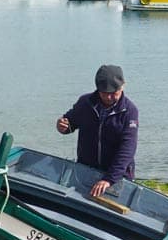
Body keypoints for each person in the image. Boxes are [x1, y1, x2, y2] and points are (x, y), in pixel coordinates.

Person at [55, 64, 139, 198]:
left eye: (114, 93)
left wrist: (109, 179)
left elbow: (128, 148)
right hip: (86, 169)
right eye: (105, 93)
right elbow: (70, 122)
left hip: (117, 175)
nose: (109, 97)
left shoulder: (130, 112)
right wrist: (63, 125)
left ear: (123, 86)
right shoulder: (85, 102)